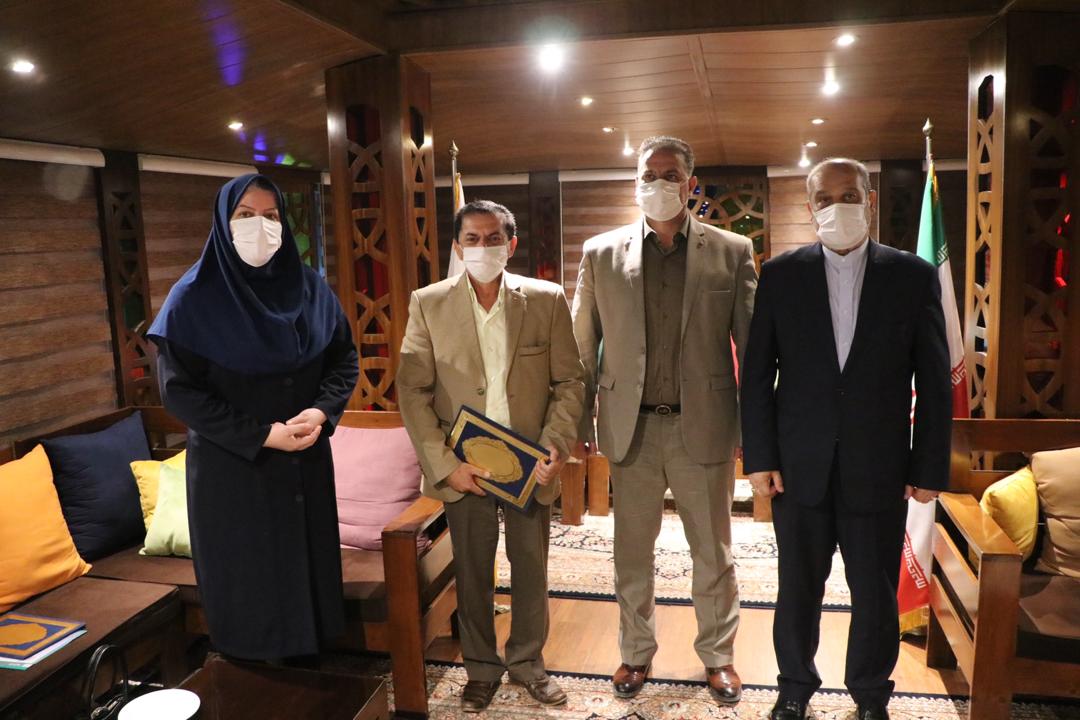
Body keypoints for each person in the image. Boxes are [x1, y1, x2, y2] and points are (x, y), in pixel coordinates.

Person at [740, 158, 952, 720]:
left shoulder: (912, 276)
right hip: (798, 467)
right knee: (797, 589)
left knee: (874, 593)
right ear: (810, 208)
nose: (839, 207)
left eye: (851, 195)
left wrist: (928, 468)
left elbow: (935, 381)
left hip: (879, 466)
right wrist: (759, 458)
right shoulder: (780, 275)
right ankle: (794, 688)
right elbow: (757, 375)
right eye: (826, 198)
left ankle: (870, 695)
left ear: (870, 201)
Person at [571, 136, 757, 705]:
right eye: (648, 175)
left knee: (713, 552)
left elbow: (752, 349)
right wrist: (576, 424)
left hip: (704, 424)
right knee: (632, 552)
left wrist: (755, 434)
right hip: (630, 428)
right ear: (636, 183)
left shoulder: (732, 251)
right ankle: (635, 652)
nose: (658, 183)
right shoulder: (600, 253)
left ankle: (719, 657)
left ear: (690, 183)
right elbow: (582, 348)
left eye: (670, 174)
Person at [148, 174, 359, 662]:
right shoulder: (192, 297)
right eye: (245, 215)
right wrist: (262, 435)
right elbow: (180, 392)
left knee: (307, 569)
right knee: (249, 579)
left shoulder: (309, 287)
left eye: (270, 216)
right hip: (235, 467)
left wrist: (321, 410)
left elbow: (343, 359)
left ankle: (314, 672)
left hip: (305, 454)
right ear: (223, 223)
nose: (259, 226)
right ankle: (252, 679)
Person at [397, 200, 585, 713]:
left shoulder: (545, 299)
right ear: (457, 248)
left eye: (493, 238)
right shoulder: (428, 304)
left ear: (511, 244)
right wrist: (445, 465)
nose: (483, 247)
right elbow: (412, 390)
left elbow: (570, 381)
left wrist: (556, 443)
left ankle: (528, 663)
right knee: (473, 571)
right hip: (465, 468)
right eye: (473, 239)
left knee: (531, 570)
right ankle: (480, 668)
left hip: (530, 466)